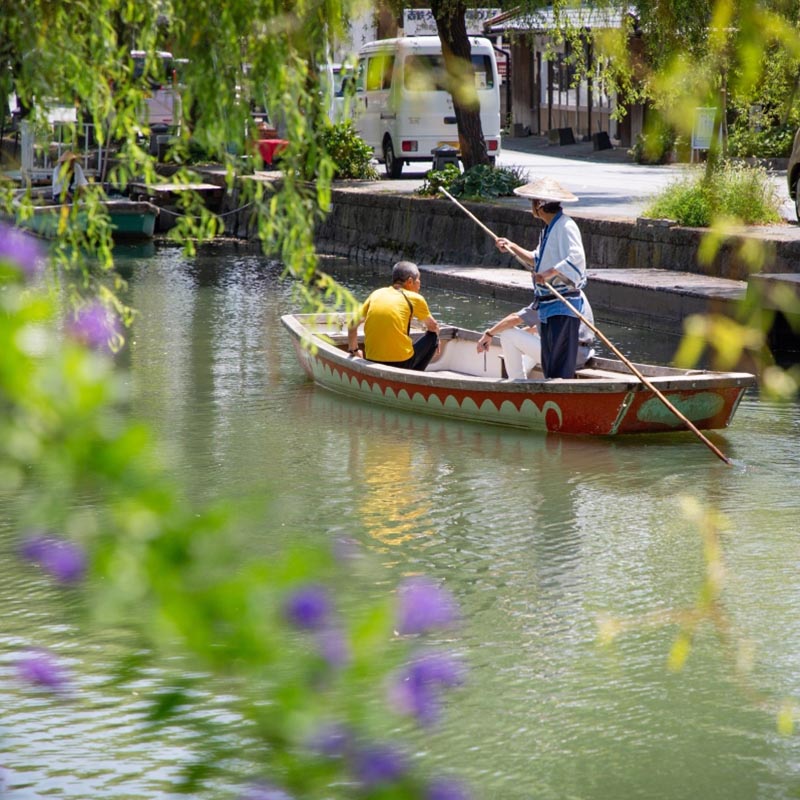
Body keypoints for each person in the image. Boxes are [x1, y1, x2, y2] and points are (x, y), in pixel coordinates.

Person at [479, 177, 587, 379]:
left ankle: (554, 396)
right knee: (550, 360)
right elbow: (535, 259)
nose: (531, 207)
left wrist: (548, 274)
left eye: (532, 203)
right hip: (548, 306)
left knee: (557, 364)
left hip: (562, 306)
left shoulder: (566, 226)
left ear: (540, 205)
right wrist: (511, 246)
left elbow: (576, 257)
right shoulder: (548, 229)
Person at [476, 291, 595, 379]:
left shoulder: (553, 295)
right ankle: (524, 372)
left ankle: (518, 385)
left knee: (507, 334)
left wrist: (489, 334)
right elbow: (551, 327)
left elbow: (515, 318)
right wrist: (524, 333)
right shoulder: (577, 293)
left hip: (563, 356)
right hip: (582, 355)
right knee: (537, 338)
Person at [347, 261, 440, 371]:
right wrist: (437, 340)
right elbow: (433, 327)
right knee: (433, 337)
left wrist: (354, 350)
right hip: (401, 363)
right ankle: (414, 375)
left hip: (372, 360)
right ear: (410, 281)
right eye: (418, 280)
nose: (420, 284)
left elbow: (352, 325)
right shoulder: (416, 298)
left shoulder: (376, 294)